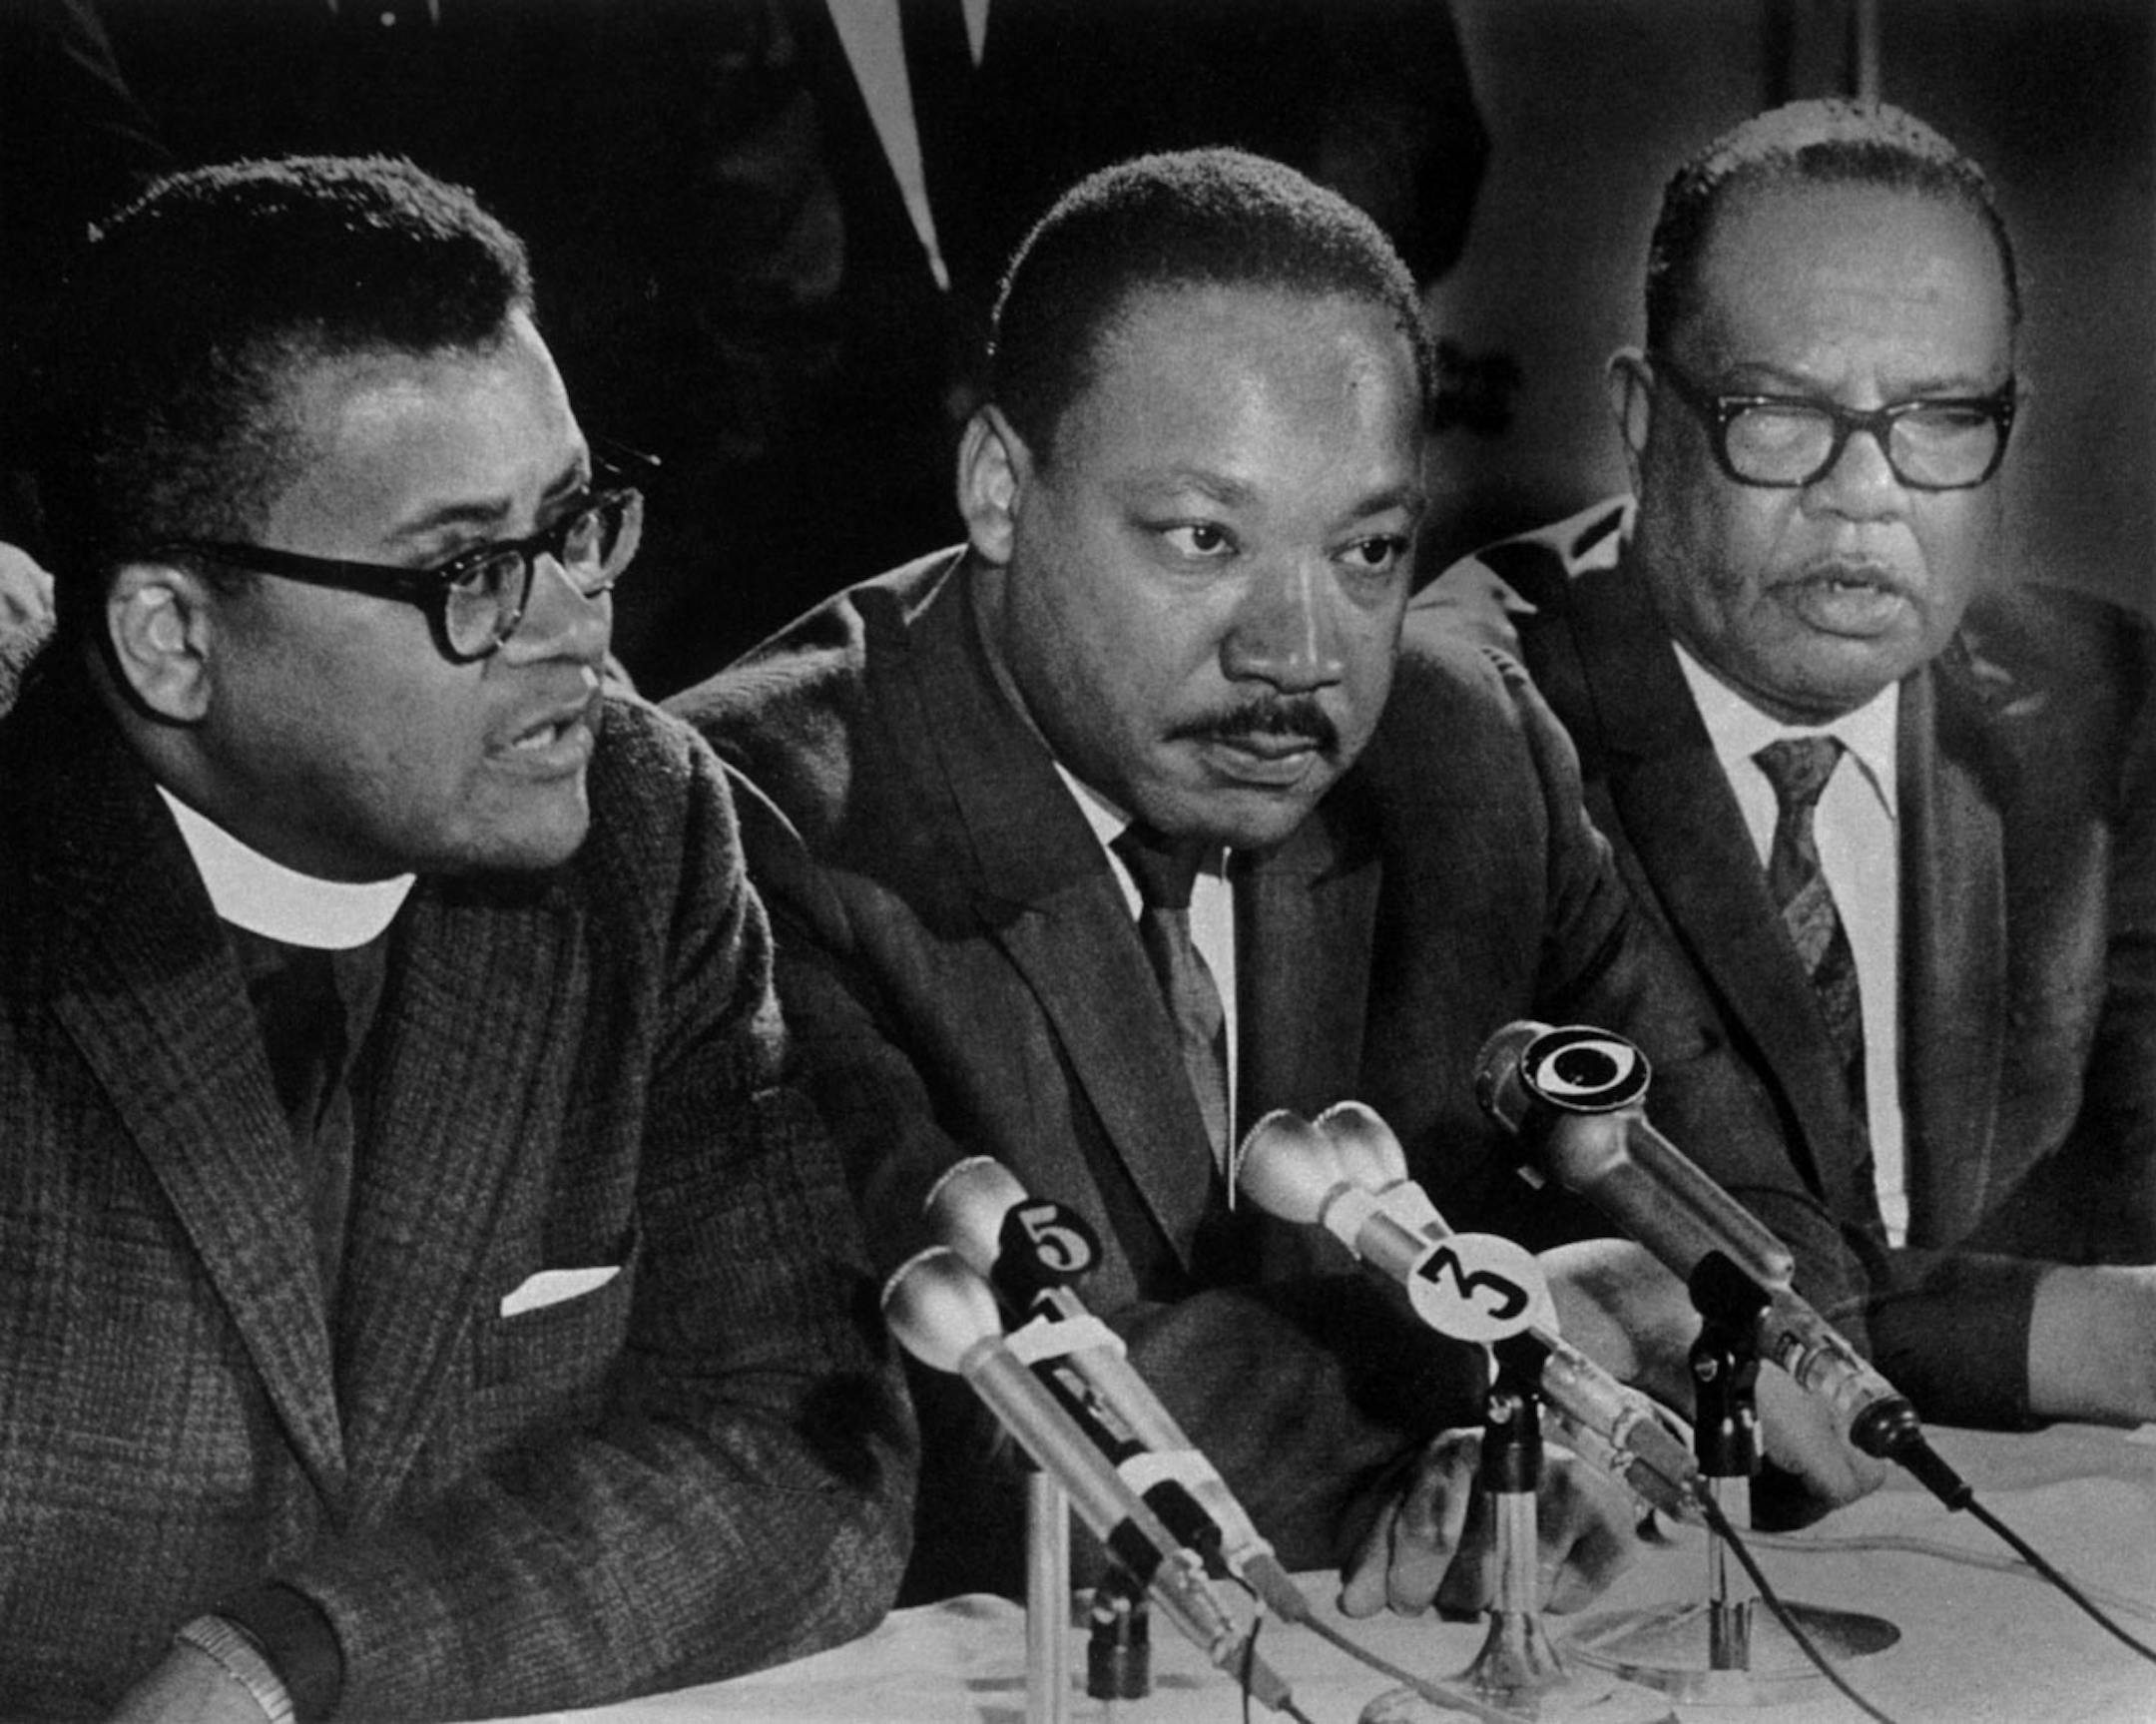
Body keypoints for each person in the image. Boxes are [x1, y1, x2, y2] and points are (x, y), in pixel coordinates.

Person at [671, 148, 1881, 1609]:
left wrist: (1605, 1363)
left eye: (1367, 548)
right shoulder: (745, 827)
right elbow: (965, 1413)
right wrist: (1535, 1346)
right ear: (999, 488)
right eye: (1205, 540)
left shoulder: (1463, 750)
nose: (1300, 651)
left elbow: (1755, 1230)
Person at [0, 156, 912, 1723]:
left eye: (574, 524)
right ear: (171, 639)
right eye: (470, 570)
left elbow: (805, 1452)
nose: (577, 623)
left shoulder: (642, 835)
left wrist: (310, 1651)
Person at [1417, 99, 2156, 1434]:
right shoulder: (1470, 721)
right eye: (1778, 413)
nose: (1865, 490)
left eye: (1942, 417)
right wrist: (2085, 1338)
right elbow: (1649, 1275)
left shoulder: (2106, 703)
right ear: (1641, 418)